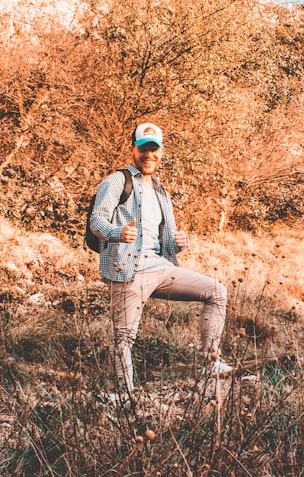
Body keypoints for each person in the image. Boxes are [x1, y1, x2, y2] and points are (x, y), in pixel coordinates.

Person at [88, 122, 231, 395]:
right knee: (125, 338)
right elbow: (97, 220)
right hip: (126, 269)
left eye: (154, 149)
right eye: (143, 149)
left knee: (217, 292)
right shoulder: (118, 180)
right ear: (133, 149)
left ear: (161, 152)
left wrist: (181, 242)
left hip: (160, 268)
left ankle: (209, 361)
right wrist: (118, 233)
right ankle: (124, 396)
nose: (148, 155)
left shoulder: (161, 192)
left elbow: (165, 241)